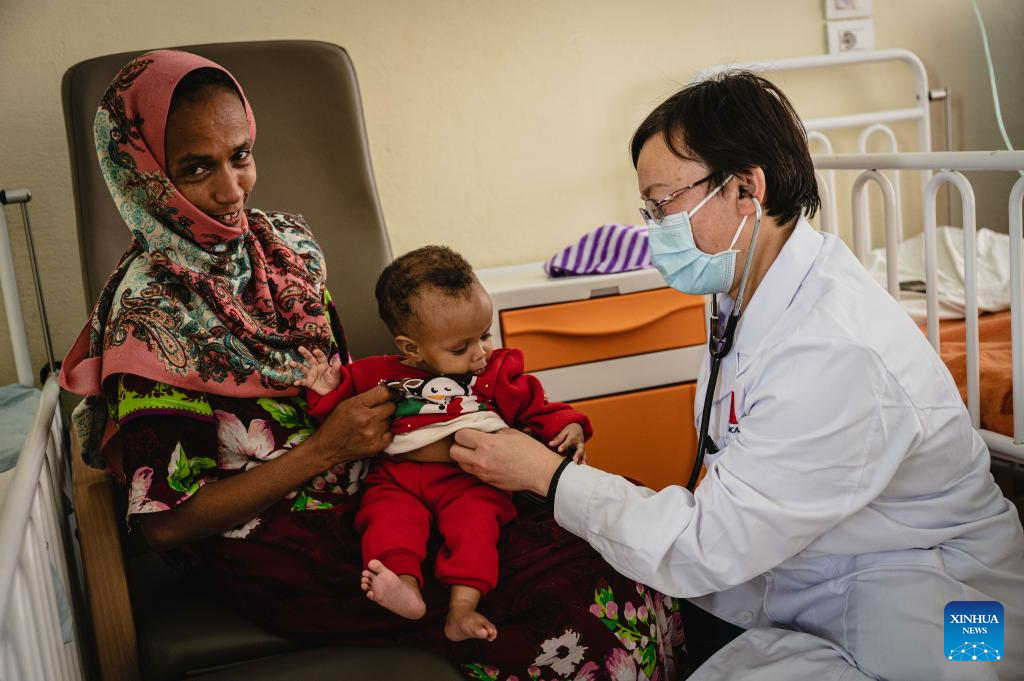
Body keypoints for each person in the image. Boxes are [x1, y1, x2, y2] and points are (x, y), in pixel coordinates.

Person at [58, 49, 686, 680]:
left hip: (379, 481)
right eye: (197, 168)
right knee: (575, 601)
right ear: (144, 175)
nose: (231, 191)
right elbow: (166, 527)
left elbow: (347, 380)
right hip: (280, 545)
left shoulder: (284, 252)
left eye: (240, 156)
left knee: (612, 536)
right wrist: (325, 451)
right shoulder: (149, 318)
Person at [449, 72, 1024, 680]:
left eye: (664, 204)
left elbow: (705, 544)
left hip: (954, 611)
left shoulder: (835, 352)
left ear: (746, 189)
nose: (654, 228)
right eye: (648, 209)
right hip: (821, 576)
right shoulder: (746, 295)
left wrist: (547, 476)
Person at [290, 245, 590, 642]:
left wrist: (570, 425)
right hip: (397, 476)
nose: (480, 353)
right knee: (384, 519)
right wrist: (324, 390)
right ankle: (403, 586)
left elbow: (537, 405)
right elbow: (340, 416)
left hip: (469, 478)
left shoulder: (495, 372)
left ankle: (462, 608)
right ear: (411, 348)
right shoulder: (375, 374)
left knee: (477, 525)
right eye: (460, 348)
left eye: (485, 336)